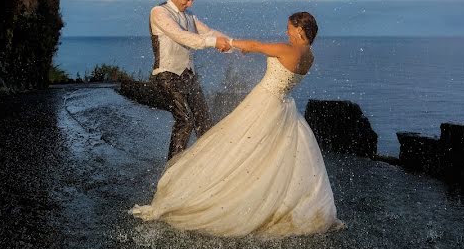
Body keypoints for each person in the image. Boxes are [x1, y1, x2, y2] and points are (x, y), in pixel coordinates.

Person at [130, 12, 345, 237]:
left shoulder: (286, 49)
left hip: (264, 101)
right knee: (270, 154)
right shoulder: (309, 56)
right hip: (283, 106)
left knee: (236, 145)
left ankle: (220, 196)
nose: (286, 32)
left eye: (290, 28)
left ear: (300, 30)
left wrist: (230, 43)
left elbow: (255, 45)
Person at [150, 0, 232, 161]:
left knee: (204, 120)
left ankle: (209, 163)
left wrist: (233, 43)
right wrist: (213, 42)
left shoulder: (189, 16)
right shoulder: (159, 12)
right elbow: (181, 36)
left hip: (189, 75)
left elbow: (209, 32)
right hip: (167, 75)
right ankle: (172, 170)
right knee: (185, 120)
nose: (190, 3)